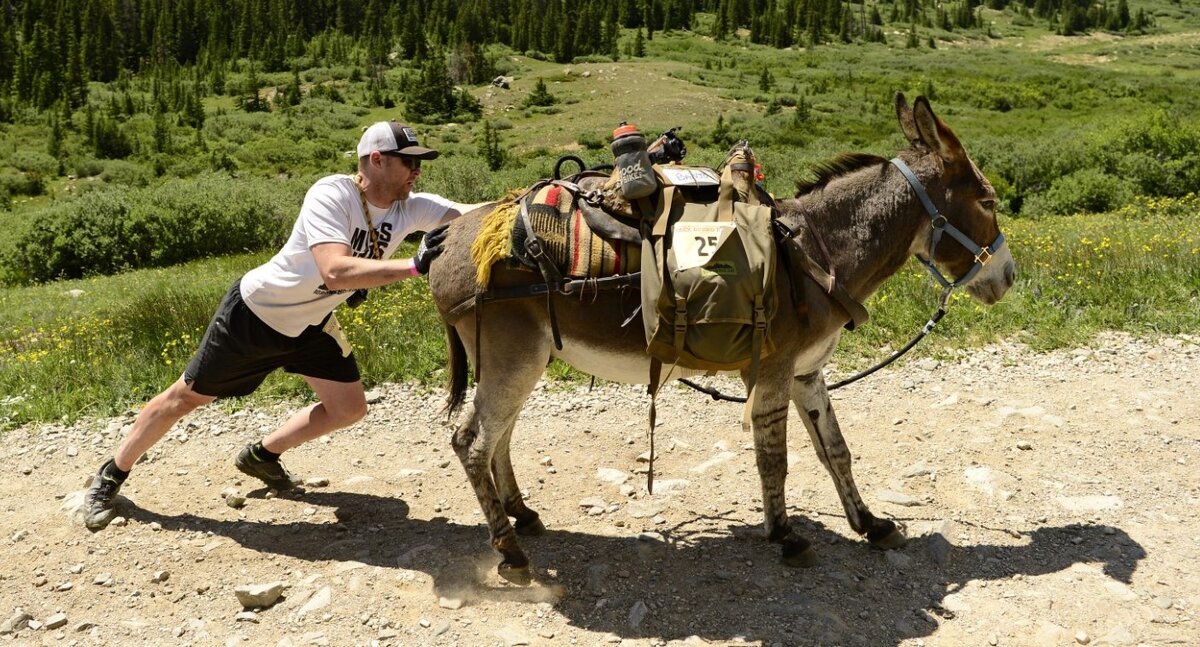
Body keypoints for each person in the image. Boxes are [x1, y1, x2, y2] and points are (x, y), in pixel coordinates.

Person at [82, 122, 484, 531]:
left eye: (420, 163)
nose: (417, 171)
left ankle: (261, 455)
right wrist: (415, 265)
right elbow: (335, 271)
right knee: (184, 399)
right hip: (257, 316)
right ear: (376, 160)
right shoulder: (332, 194)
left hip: (311, 324)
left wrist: (538, 198)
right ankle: (110, 476)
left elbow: (475, 215)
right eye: (409, 162)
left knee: (349, 409)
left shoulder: (409, 207)